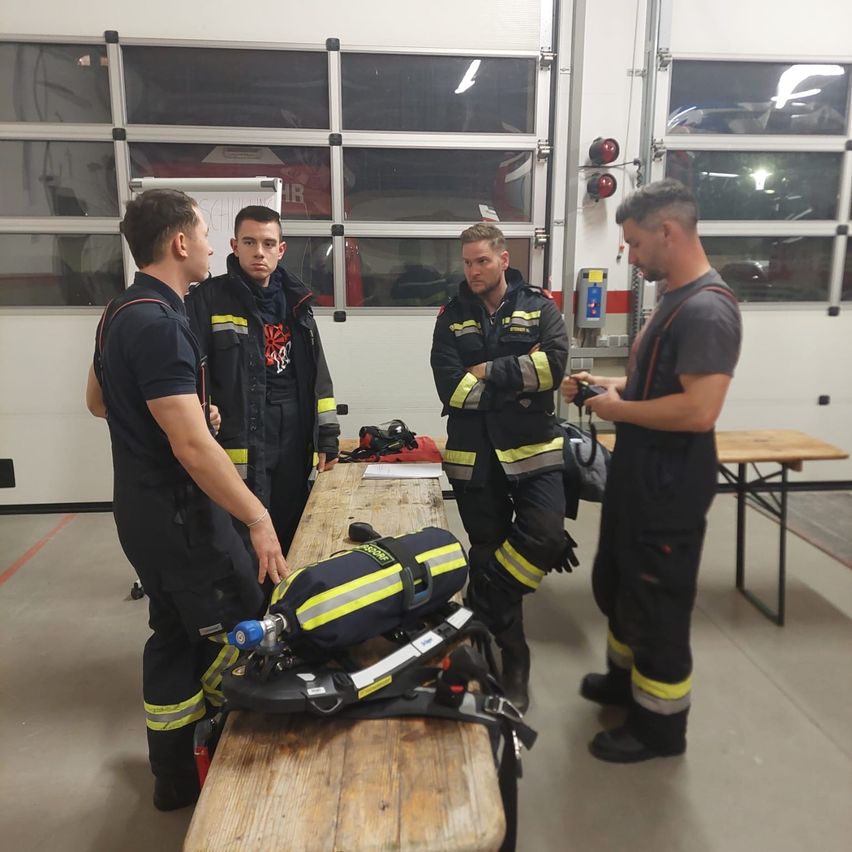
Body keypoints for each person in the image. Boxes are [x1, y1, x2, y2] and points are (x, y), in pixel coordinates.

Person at [85, 189, 288, 810]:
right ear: (179, 242)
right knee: (242, 625)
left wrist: (190, 412)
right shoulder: (161, 323)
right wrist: (257, 518)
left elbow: (99, 402)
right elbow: (194, 452)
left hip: (140, 514)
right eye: (204, 233)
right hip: (181, 519)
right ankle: (241, 783)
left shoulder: (120, 311)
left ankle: (173, 776)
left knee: (172, 632)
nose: (208, 245)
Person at [561, 179, 742, 763]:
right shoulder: (673, 300)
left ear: (668, 232)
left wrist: (620, 410)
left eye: (636, 245)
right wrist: (609, 386)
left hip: (670, 490)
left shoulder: (708, 310)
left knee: (658, 607)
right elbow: (657, 387)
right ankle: (622, 682)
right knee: (623, 587)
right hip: (640, 480)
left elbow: (698, 409)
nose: (631, 258)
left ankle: (659, 728)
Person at [431, 223, 570, 712]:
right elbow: (451, 387)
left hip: (534, 452)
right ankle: (515, 659)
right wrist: (520, 376)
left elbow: (554, 367)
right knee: (487, 553)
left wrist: (488, 370)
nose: (472, 270)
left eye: (481, 261)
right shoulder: (451, 316)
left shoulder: (539, 307)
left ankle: (479, 611)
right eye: (466, 262)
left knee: (547, 535)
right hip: (475, 461)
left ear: (503, 259)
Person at [186, 206, 339, 561]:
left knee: (291, 530)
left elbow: (319, 373)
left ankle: (283, 606)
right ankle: (251, 611)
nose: (259, 252)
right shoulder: (208, 300)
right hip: (239, 440)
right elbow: (191, 370)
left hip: (293, 436)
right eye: (250, 242)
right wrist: (199, 411)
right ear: (234, 246)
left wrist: (327, 436)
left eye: (268, 243)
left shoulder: (297, 301)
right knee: (241, 541)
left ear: (281, 250)